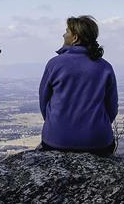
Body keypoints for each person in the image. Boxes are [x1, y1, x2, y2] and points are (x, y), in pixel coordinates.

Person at [36, 15, 118, 157]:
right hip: (98, 141)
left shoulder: (54, 64)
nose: (63, 34)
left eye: (67, 31)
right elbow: (112, 108)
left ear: (75, 38)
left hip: (57, 139)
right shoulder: (105, 67)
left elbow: (44, 101)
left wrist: (56, 125)